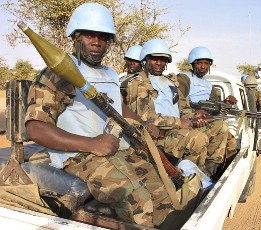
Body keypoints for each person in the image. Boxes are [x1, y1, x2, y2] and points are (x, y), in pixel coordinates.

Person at [25, 3, 179, 227]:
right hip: (79, 157)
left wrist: (142, 123)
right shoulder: (57, 73)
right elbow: (35, 128)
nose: (96, 42)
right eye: (89, 35)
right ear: (75, 37)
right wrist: (92, 143)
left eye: (103, 37)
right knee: (138, 201)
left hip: (118, 151)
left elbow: (117, 107)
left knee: (164, 190)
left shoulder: (109, 73)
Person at [122, 38, 229, 177]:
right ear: (146, 59)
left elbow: (183, 108)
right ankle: (185, 179)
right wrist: (180, 122)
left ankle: (206, 174)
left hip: (178, 129)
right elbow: (144, 117)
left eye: (163, 59)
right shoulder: (138, 82)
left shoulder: (170, 82)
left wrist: (194, 117)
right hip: (159, 135)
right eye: (155, 59)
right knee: (197, 138)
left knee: (220, 127)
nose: (159, 63)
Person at [180, 46, 238, 171]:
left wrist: (225, 103)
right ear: (192, 63)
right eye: (199, 63)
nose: (203, 67)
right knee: (221, 126)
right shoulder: (184, 78)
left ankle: (211, 171)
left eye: (206, 63)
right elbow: (177, 103)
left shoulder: (208, 85)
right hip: (188, 121)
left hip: (204, 120)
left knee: (231, 140)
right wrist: (194, 112)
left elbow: (213, 106)